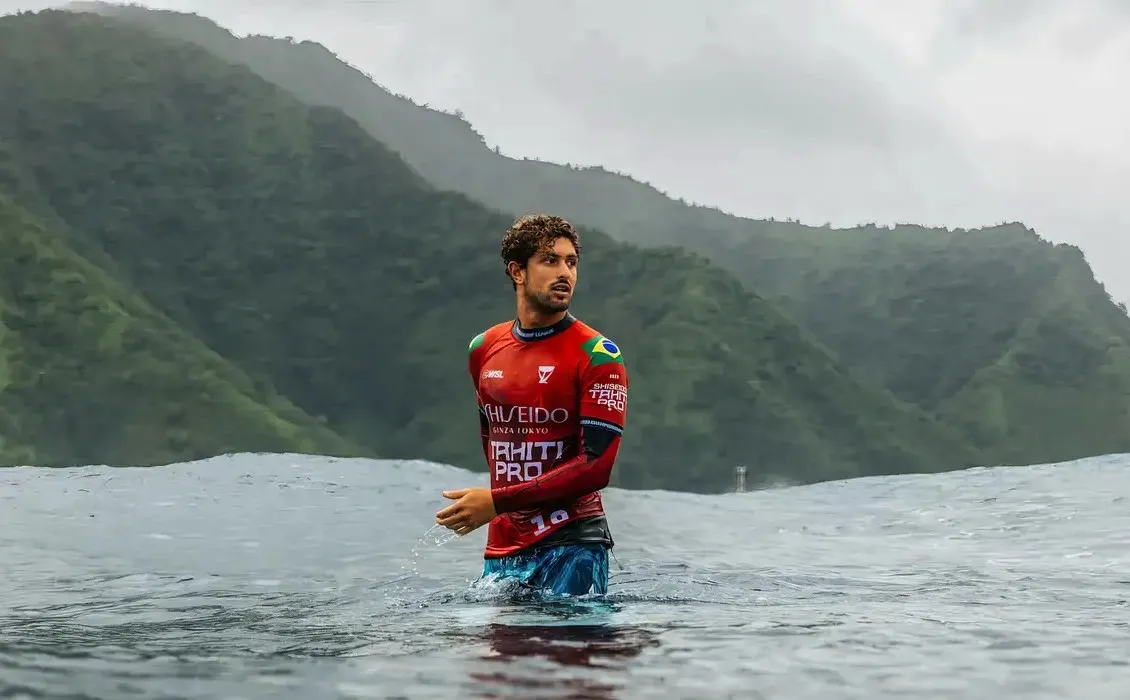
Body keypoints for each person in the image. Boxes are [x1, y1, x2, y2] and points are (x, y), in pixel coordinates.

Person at [435, 213, 629, 597]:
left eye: (571, 262)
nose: (565, 273)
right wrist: (502, 507)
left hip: (573, 544)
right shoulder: (484, 349)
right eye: (550, 260)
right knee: (498, 655)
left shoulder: (598, 355)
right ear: (517, 271)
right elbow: (493, 439)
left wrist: (496, 500)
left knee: (562, 654)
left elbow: (596, 468)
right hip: (503, 544)